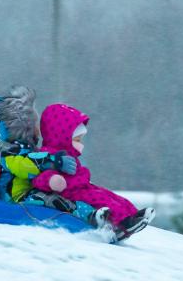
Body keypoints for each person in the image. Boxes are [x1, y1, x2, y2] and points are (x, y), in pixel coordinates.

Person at [0, 86, 106, 227]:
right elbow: (26, 166)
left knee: (61, 195)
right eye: (34, 124)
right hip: (17, 198)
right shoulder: (10, 154)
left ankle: (94, 214)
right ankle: (87, 218)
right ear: (23, 128)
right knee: (49, 200)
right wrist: (52, 161)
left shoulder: (30, 148)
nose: (38, 128)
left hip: (31, 191)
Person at [31, 103, 155, 240]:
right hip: (71, 194)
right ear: (62, 137)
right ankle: (122, 225)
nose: (81, 143)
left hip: (83, 187)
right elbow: (38, 177)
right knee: (103, 200)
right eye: (77, 139)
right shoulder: (49, 157)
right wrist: (51, 180)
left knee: (111, 196)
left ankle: (133, 215)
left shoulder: (68, 154)